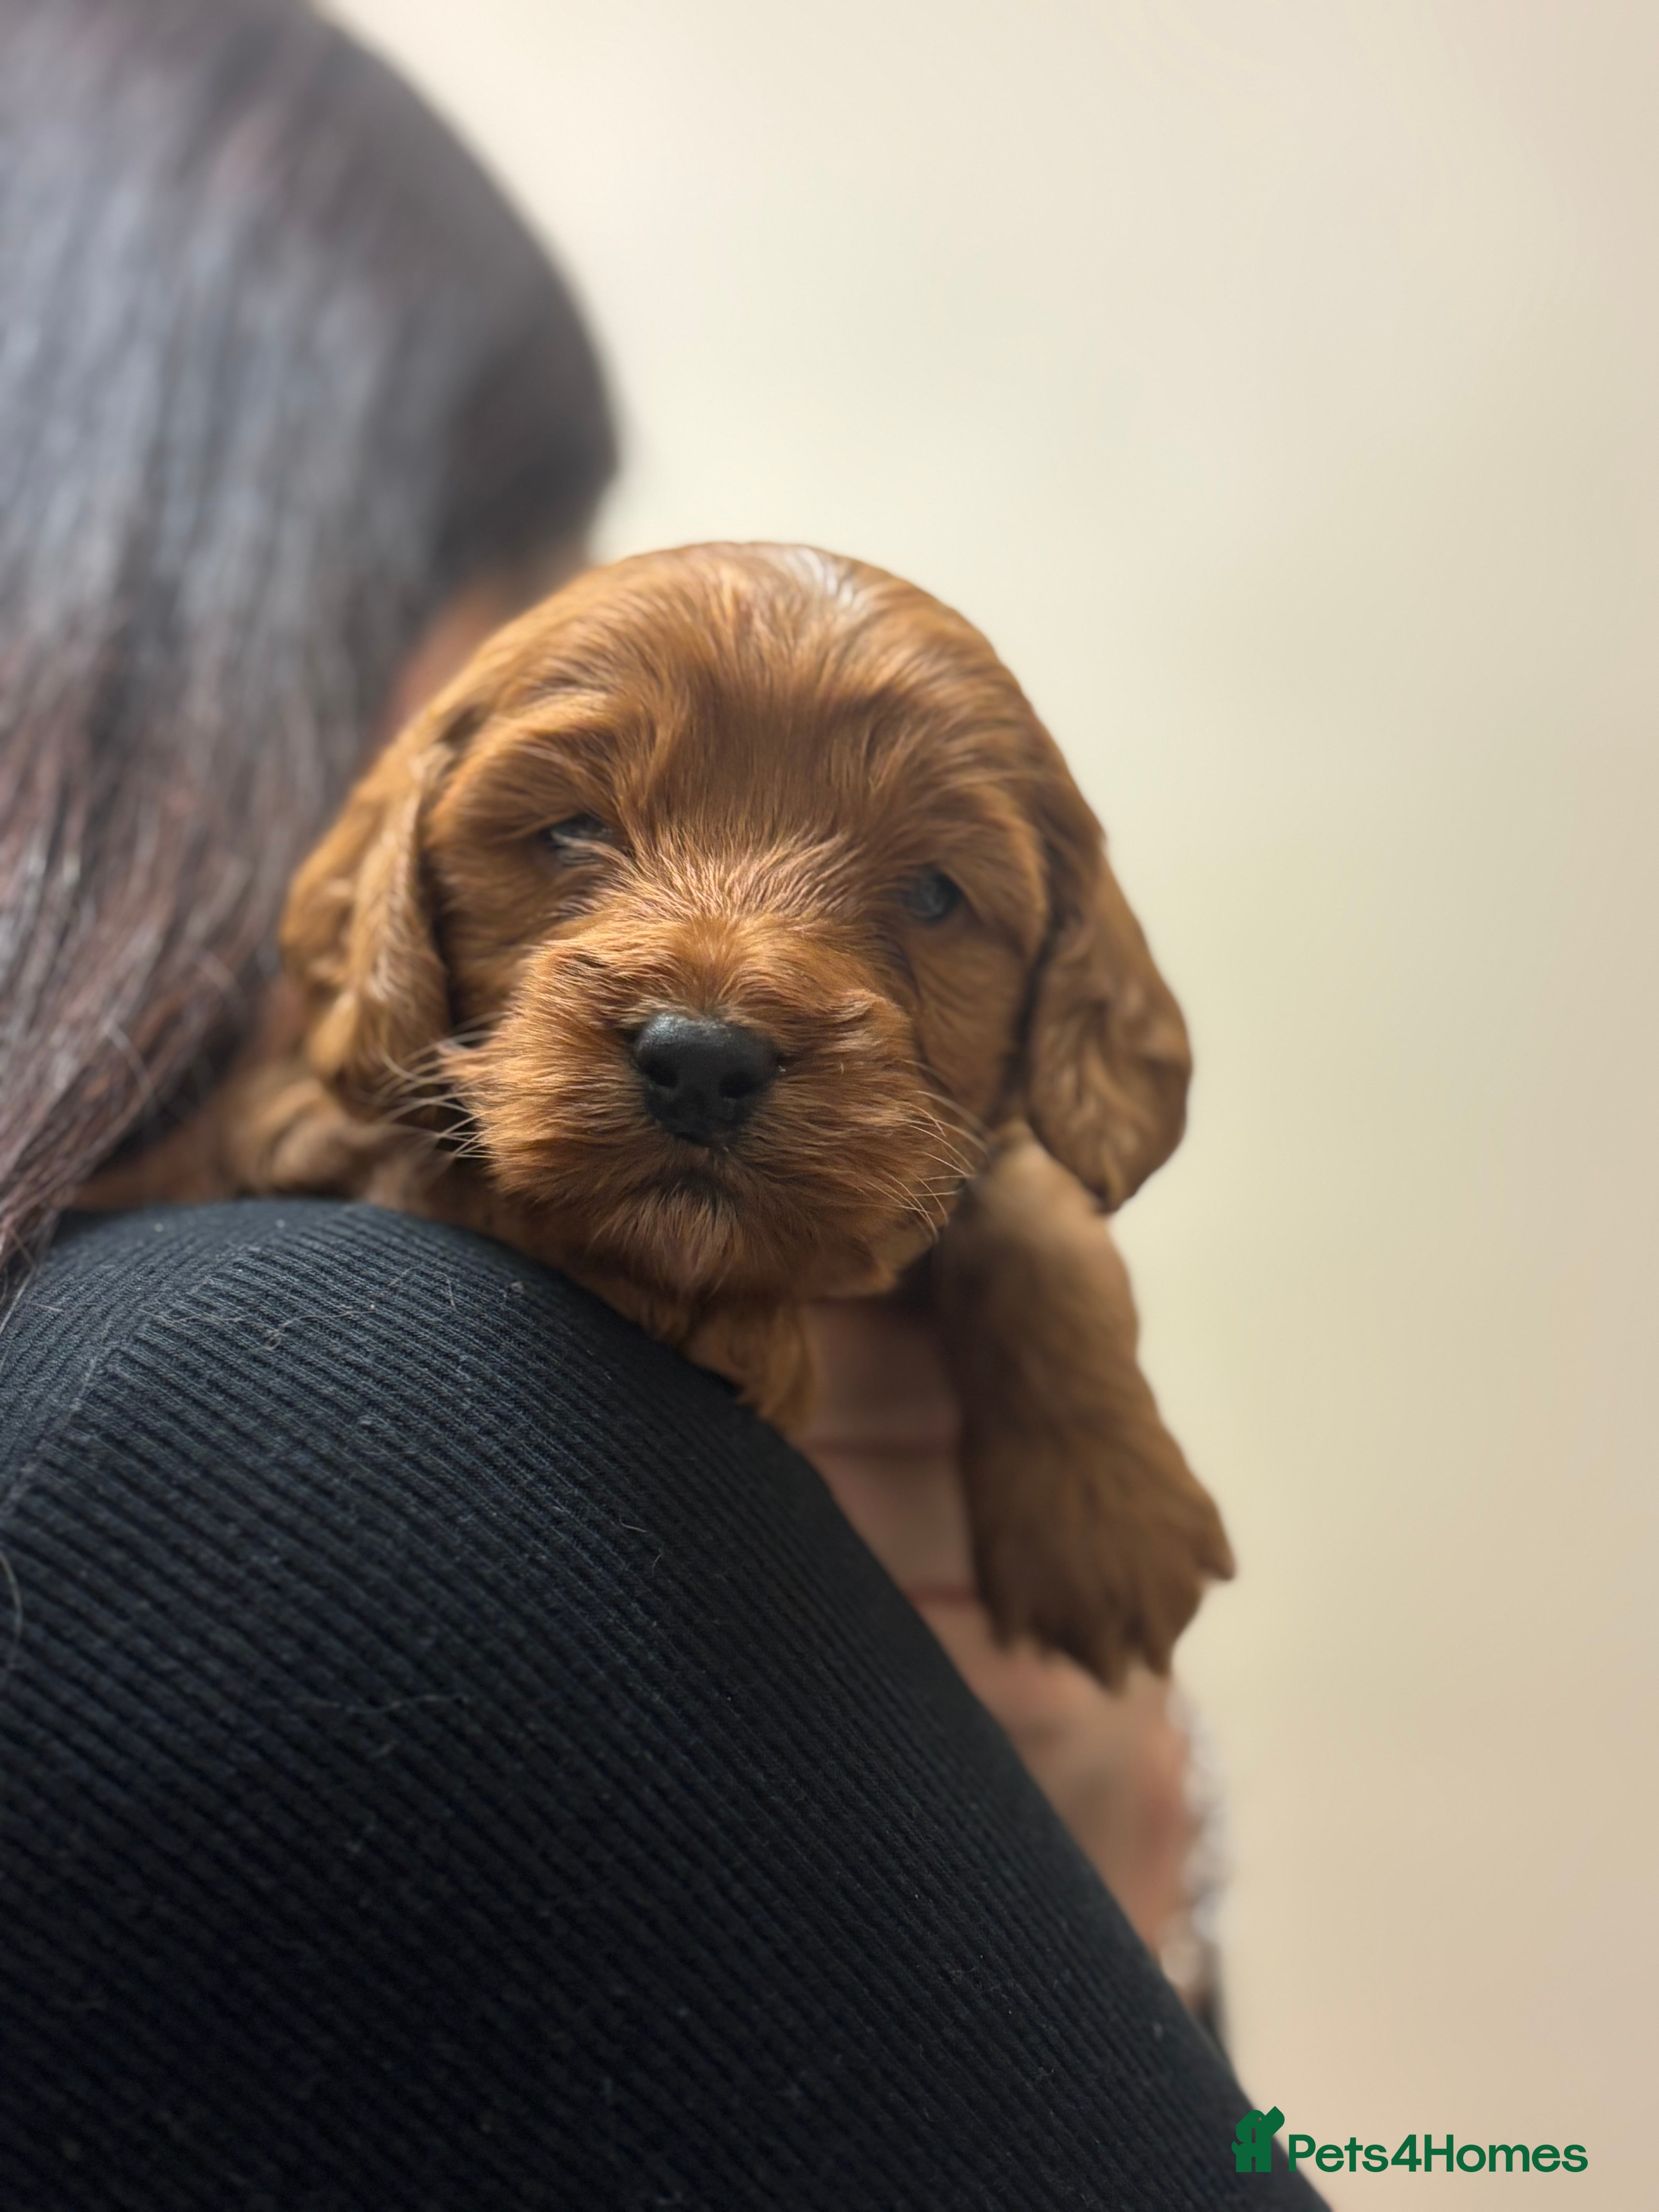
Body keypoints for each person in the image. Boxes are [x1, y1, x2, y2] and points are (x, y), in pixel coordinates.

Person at [0, 2, 1314, 2201]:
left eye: (918, 893)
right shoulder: (275, 1408)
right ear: (178, 595)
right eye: (573, 825)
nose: (712, 984)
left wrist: (1111, 1840)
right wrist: (1107, 1859)